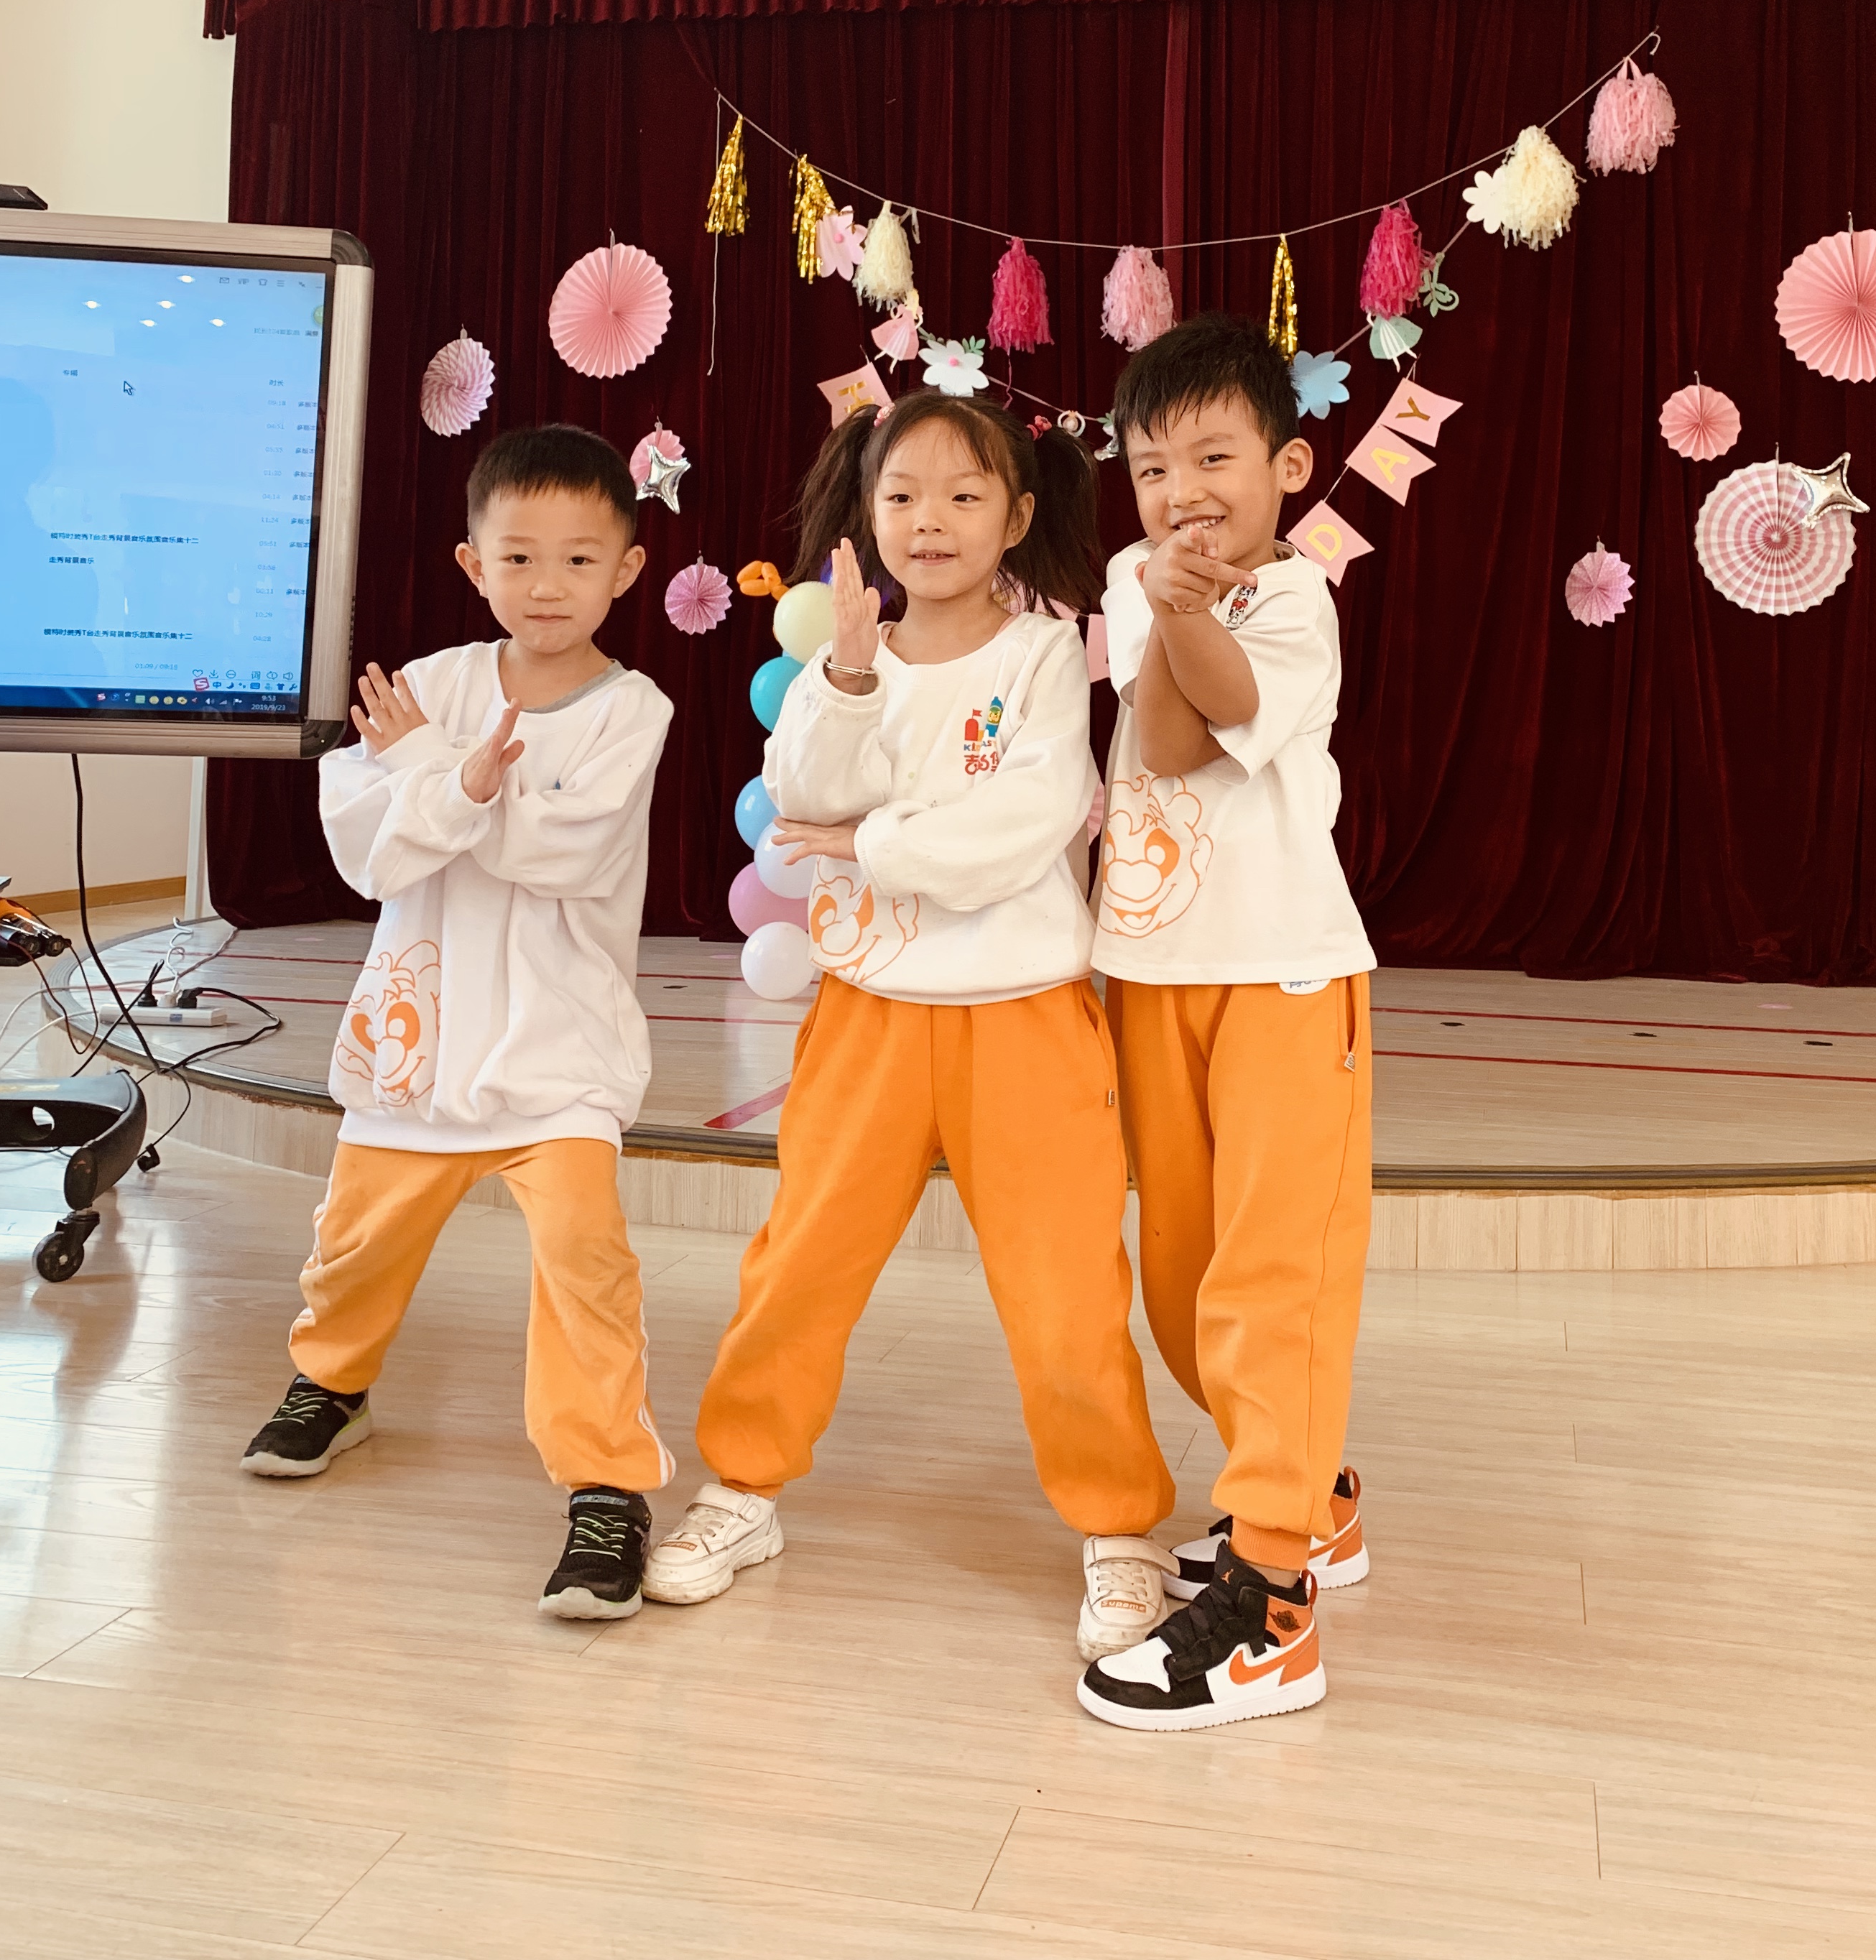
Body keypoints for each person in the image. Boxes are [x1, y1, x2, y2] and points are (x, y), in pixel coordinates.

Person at [644, 392, 1178, 1663]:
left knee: (1064, 1290)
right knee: (801, 1264)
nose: (929, 521)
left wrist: (869, 843)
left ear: (1018, 517)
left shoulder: (1043, 656)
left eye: (963, 495)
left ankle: (1119, 1526)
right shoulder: (849, 661)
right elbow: (797, 794)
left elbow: (1024, 828)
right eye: (902, 497)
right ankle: (743, 1488)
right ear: (866, 514)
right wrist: (843, 681)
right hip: (869, 1015)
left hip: (1025, 1018)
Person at [240, 423, 676, 1622]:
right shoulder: (426, 687)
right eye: (519, 558)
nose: (549, 586)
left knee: (586, 1268)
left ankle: (605, 1485)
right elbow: (370, 855)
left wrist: (442, 777)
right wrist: (459, 780)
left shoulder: (632, 711)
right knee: (355, 1246)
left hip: (559, 1053)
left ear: (627, 570)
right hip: (418, 1043)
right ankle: (332, 1384)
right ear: (474, 564)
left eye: (579, 560)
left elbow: (565, 853)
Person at [1076, 312, 1377, 1733]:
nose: (1182, 490)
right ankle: (1316, 1497)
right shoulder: (1137, 583)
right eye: (1152, 468)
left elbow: (1209, 721)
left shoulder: (1297, 600)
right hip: (1151, 975)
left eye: (1213, 457)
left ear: (1287, 468)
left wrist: (1187, 611)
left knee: (1272, 1278)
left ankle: (1271, 1598)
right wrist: (1169, 604)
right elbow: (1159, 737)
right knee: (1185, 1282)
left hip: (1283, 976)